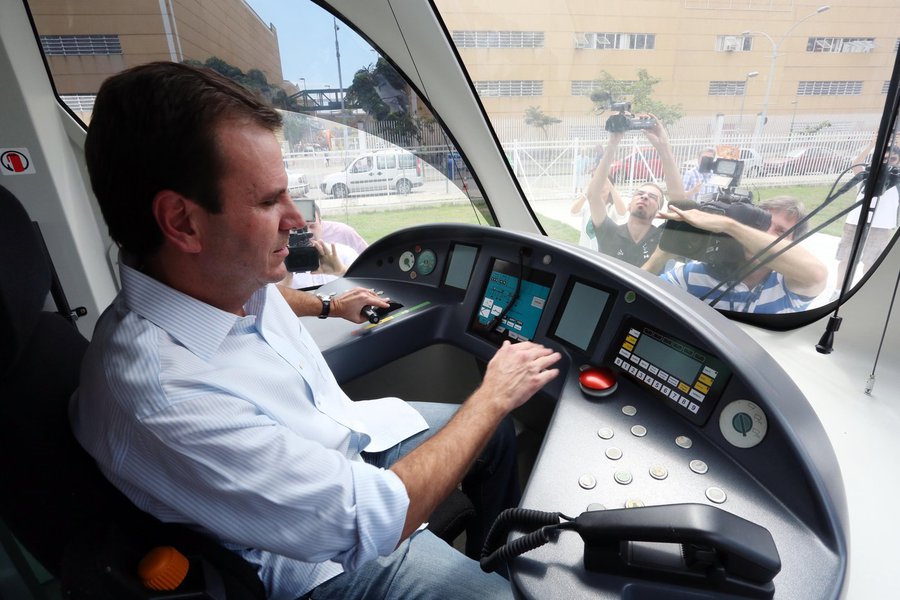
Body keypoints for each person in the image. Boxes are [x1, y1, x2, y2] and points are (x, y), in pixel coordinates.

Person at [70, 62, 561, 600]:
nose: (297, 219)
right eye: (266, 201)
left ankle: (494, 559)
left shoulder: (218, 279)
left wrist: (327, 306)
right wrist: (492, 396)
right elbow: (370, 521)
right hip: (314, 564)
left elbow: (266, 297)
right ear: (184, 222)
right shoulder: (160, 393)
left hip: (337, 439)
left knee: (490, 437)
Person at [643, 196, 828, 313]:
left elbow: (817, 275)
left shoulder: (789, 286)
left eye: (780, 231)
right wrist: (659, 257)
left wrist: (728, 225)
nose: (765, 233)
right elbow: (639, 296)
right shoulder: (695, 275)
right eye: (762, 224)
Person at [582, 116, 685, 267]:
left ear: (659, 210)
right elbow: (593, 196)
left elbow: (680, 203)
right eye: (640, 193)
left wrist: (663, 148)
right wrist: (612, 144)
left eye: (652, 197)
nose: (644, 197)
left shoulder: (662, 238)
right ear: (629, 205)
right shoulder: (609, 232)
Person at [834, 139, 900, 291]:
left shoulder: (897, 180)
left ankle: (861, 291)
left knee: (871, 262)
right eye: (883, 158)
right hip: (855, 222)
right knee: (846, 258)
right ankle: (838, 292)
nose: (887, 162)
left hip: (881, 227)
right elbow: (857, 162)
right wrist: (872, 145)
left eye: (892, 159)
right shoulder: (866, 175)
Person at [284, 201, 360, 289]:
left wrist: (342, 271)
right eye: (295, 229)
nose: (308, 233)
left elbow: (369, 288)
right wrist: (285, 280)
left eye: (312, 226)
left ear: (320, 223)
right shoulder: (276, 264)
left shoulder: (344, 253)